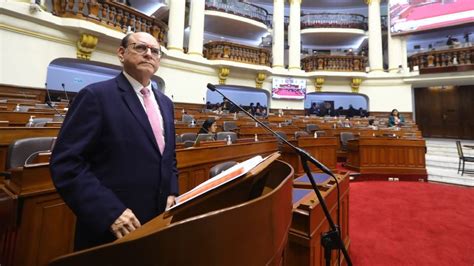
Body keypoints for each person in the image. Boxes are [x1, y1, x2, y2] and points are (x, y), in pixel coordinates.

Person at [50, 32, 178, 251]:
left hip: (157, 219)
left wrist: (172, 192)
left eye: (155, 51)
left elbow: (168, 157)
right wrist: (109, 212)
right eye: (140, 48)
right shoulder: (95, 96)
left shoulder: (166, 103)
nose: (149, 54)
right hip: (113, 225)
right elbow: (66, 164)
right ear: (121, 53)